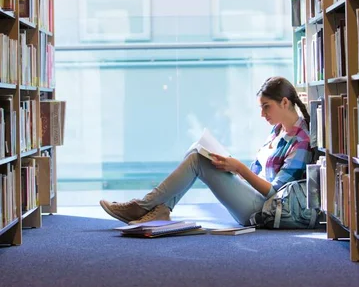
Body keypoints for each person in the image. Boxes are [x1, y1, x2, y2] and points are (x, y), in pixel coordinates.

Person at [100, 76, 313, 227]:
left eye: (266, 106)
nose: (262, 114)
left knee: (196, 160)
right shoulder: (277, 131)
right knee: (198, 150)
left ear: (284, 102)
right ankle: (160, 208)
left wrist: (237, 168)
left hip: (265, 209)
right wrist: (230, 167)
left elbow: (275, 192)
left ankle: (143, 206)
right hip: (253, 197)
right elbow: (256, 175)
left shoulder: (301, 140)